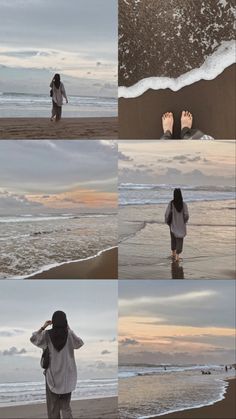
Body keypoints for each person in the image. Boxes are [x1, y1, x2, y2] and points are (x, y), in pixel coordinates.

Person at [30, 311, 84, 419]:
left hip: (52, 376)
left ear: (53, 322)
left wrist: (43, 327)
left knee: (53, 407)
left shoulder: (46, 335)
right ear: (65, 321)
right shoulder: (69, 335)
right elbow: (79, 343)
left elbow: (33, 339)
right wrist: (68, 328)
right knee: (66, 407)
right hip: (67, 377)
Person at [165, 188, 189, 262]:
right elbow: (186, 215)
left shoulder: (171, 204)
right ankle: (177, 257)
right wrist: (184, 221)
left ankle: (173, 254)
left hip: (172, 225)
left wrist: (167, 222)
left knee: (173, 239)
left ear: (174, 195)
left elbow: (167, 214)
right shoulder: (184, 204)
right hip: (181, 225)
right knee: (180, 240)